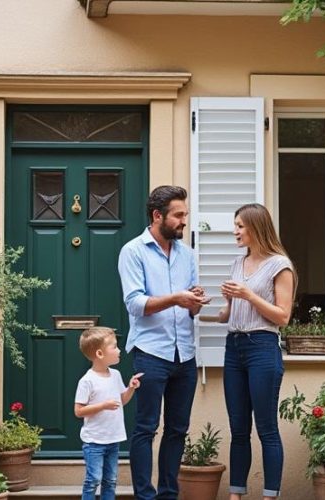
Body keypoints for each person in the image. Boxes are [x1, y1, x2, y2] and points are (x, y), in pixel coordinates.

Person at [117, 185, 209, 500]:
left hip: (184, 355)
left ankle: (168, 494)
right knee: (145, 429)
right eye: (179, 215)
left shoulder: (187, 255)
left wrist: (196, 302)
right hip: (151, 354)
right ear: (158, 216)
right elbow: (135, 304)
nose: (185, 221)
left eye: (186, 214)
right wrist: (176, 298)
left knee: (177, 430)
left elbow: (191, 308)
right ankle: (145, 495)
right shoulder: (132, 251)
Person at [210, 203, 294, 500]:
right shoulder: (237, 263)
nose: (235, 230)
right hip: (234, 348)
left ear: (257, 227)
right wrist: (204, 308)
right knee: (238, 429)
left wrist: (248, 294)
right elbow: (229, 313)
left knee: (266, 429)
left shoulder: (279, 264)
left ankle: (270, 495)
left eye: (240, 226)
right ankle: (236, 495)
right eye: (235, 225)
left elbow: (282, 316)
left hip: (262, 347)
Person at [74, 326, 143, 500]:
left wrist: (131, 388)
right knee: (93, 480)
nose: (119, 350)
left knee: (110, 480)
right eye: (114, 346)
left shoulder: (116, 375)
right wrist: (102, 405)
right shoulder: (87, 381)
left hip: (113, 439)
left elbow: (122, 401)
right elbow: (79, 411)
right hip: (94, 442)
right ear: (99, 354)